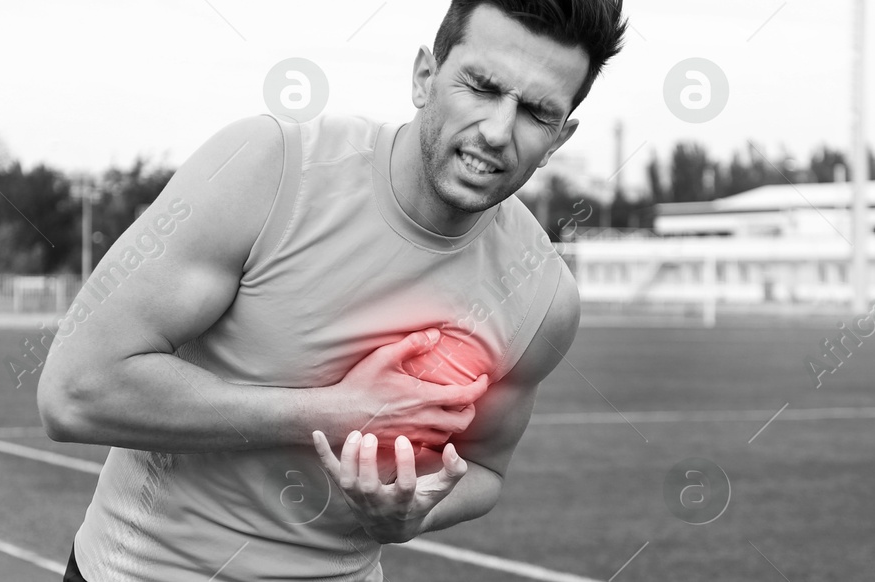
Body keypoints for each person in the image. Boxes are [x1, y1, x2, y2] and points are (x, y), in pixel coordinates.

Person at [37, 1, 627, 580]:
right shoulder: (269, 169)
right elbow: (75, 394)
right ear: (425, 76)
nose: (498, 131)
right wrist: (333, 413)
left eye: (536, 113)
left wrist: (411, 513)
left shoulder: (543, 295)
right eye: (481, 87)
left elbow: (483, 471)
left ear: (559, 137)